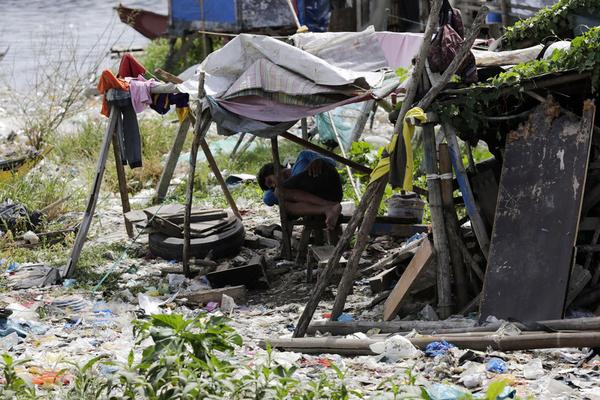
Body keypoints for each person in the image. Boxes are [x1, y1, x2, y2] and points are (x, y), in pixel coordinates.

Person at [257, 150, 343, 230]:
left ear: (274, 169)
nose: (273, 185)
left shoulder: (303, 157)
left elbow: (333, 162)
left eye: (270, 181)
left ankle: (330, 206)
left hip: (329, 188)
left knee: (278, 192)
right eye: (271, 187)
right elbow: (267, 198)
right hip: (312, 202)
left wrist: (319, 160)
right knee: (283, 204)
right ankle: (327, 209)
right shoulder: (283, 190)